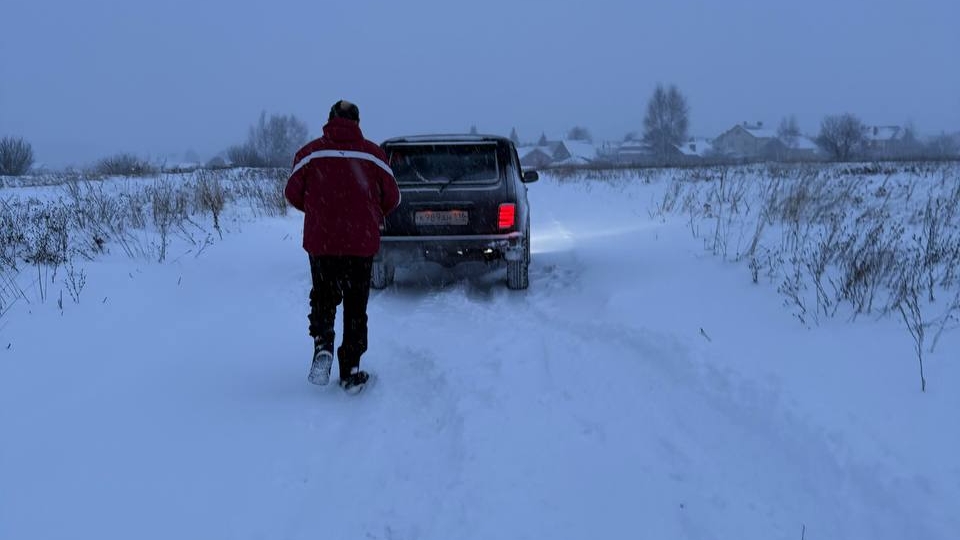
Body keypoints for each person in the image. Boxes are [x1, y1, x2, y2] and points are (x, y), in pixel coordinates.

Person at [284, 100, 401, 391]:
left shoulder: (311, 153)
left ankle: (323, 344)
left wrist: (318, 211)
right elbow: (393, 197)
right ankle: (350, 370)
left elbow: (292, 192)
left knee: (323, 297)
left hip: (321, 242)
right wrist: (372, 213)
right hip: (360, 244)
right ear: (357, 122)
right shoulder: (373, 155)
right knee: (355, 305)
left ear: (330, 120)